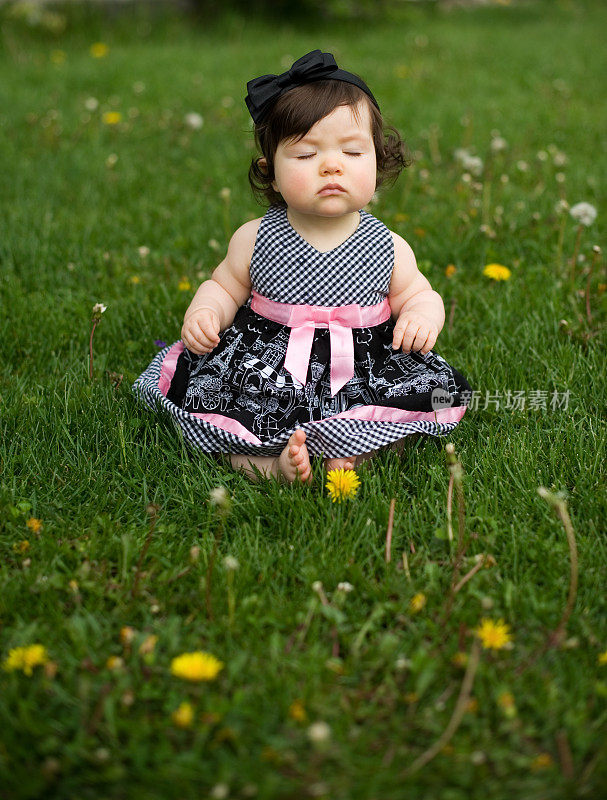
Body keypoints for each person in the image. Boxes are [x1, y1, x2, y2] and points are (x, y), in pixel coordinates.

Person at [133, 50, 471, 484]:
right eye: (306, 154)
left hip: (361, 364)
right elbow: (224, 285)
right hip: (269, 364)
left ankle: (352, 455)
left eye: (352, 151)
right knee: (230, 426)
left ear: (378, 159)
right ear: (270, 172)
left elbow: (418, 294)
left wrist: (423, 315)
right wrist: (206, 313)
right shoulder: (255, 237)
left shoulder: (388, 245)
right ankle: (271, 466)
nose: (331, 165)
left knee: (399, 421)